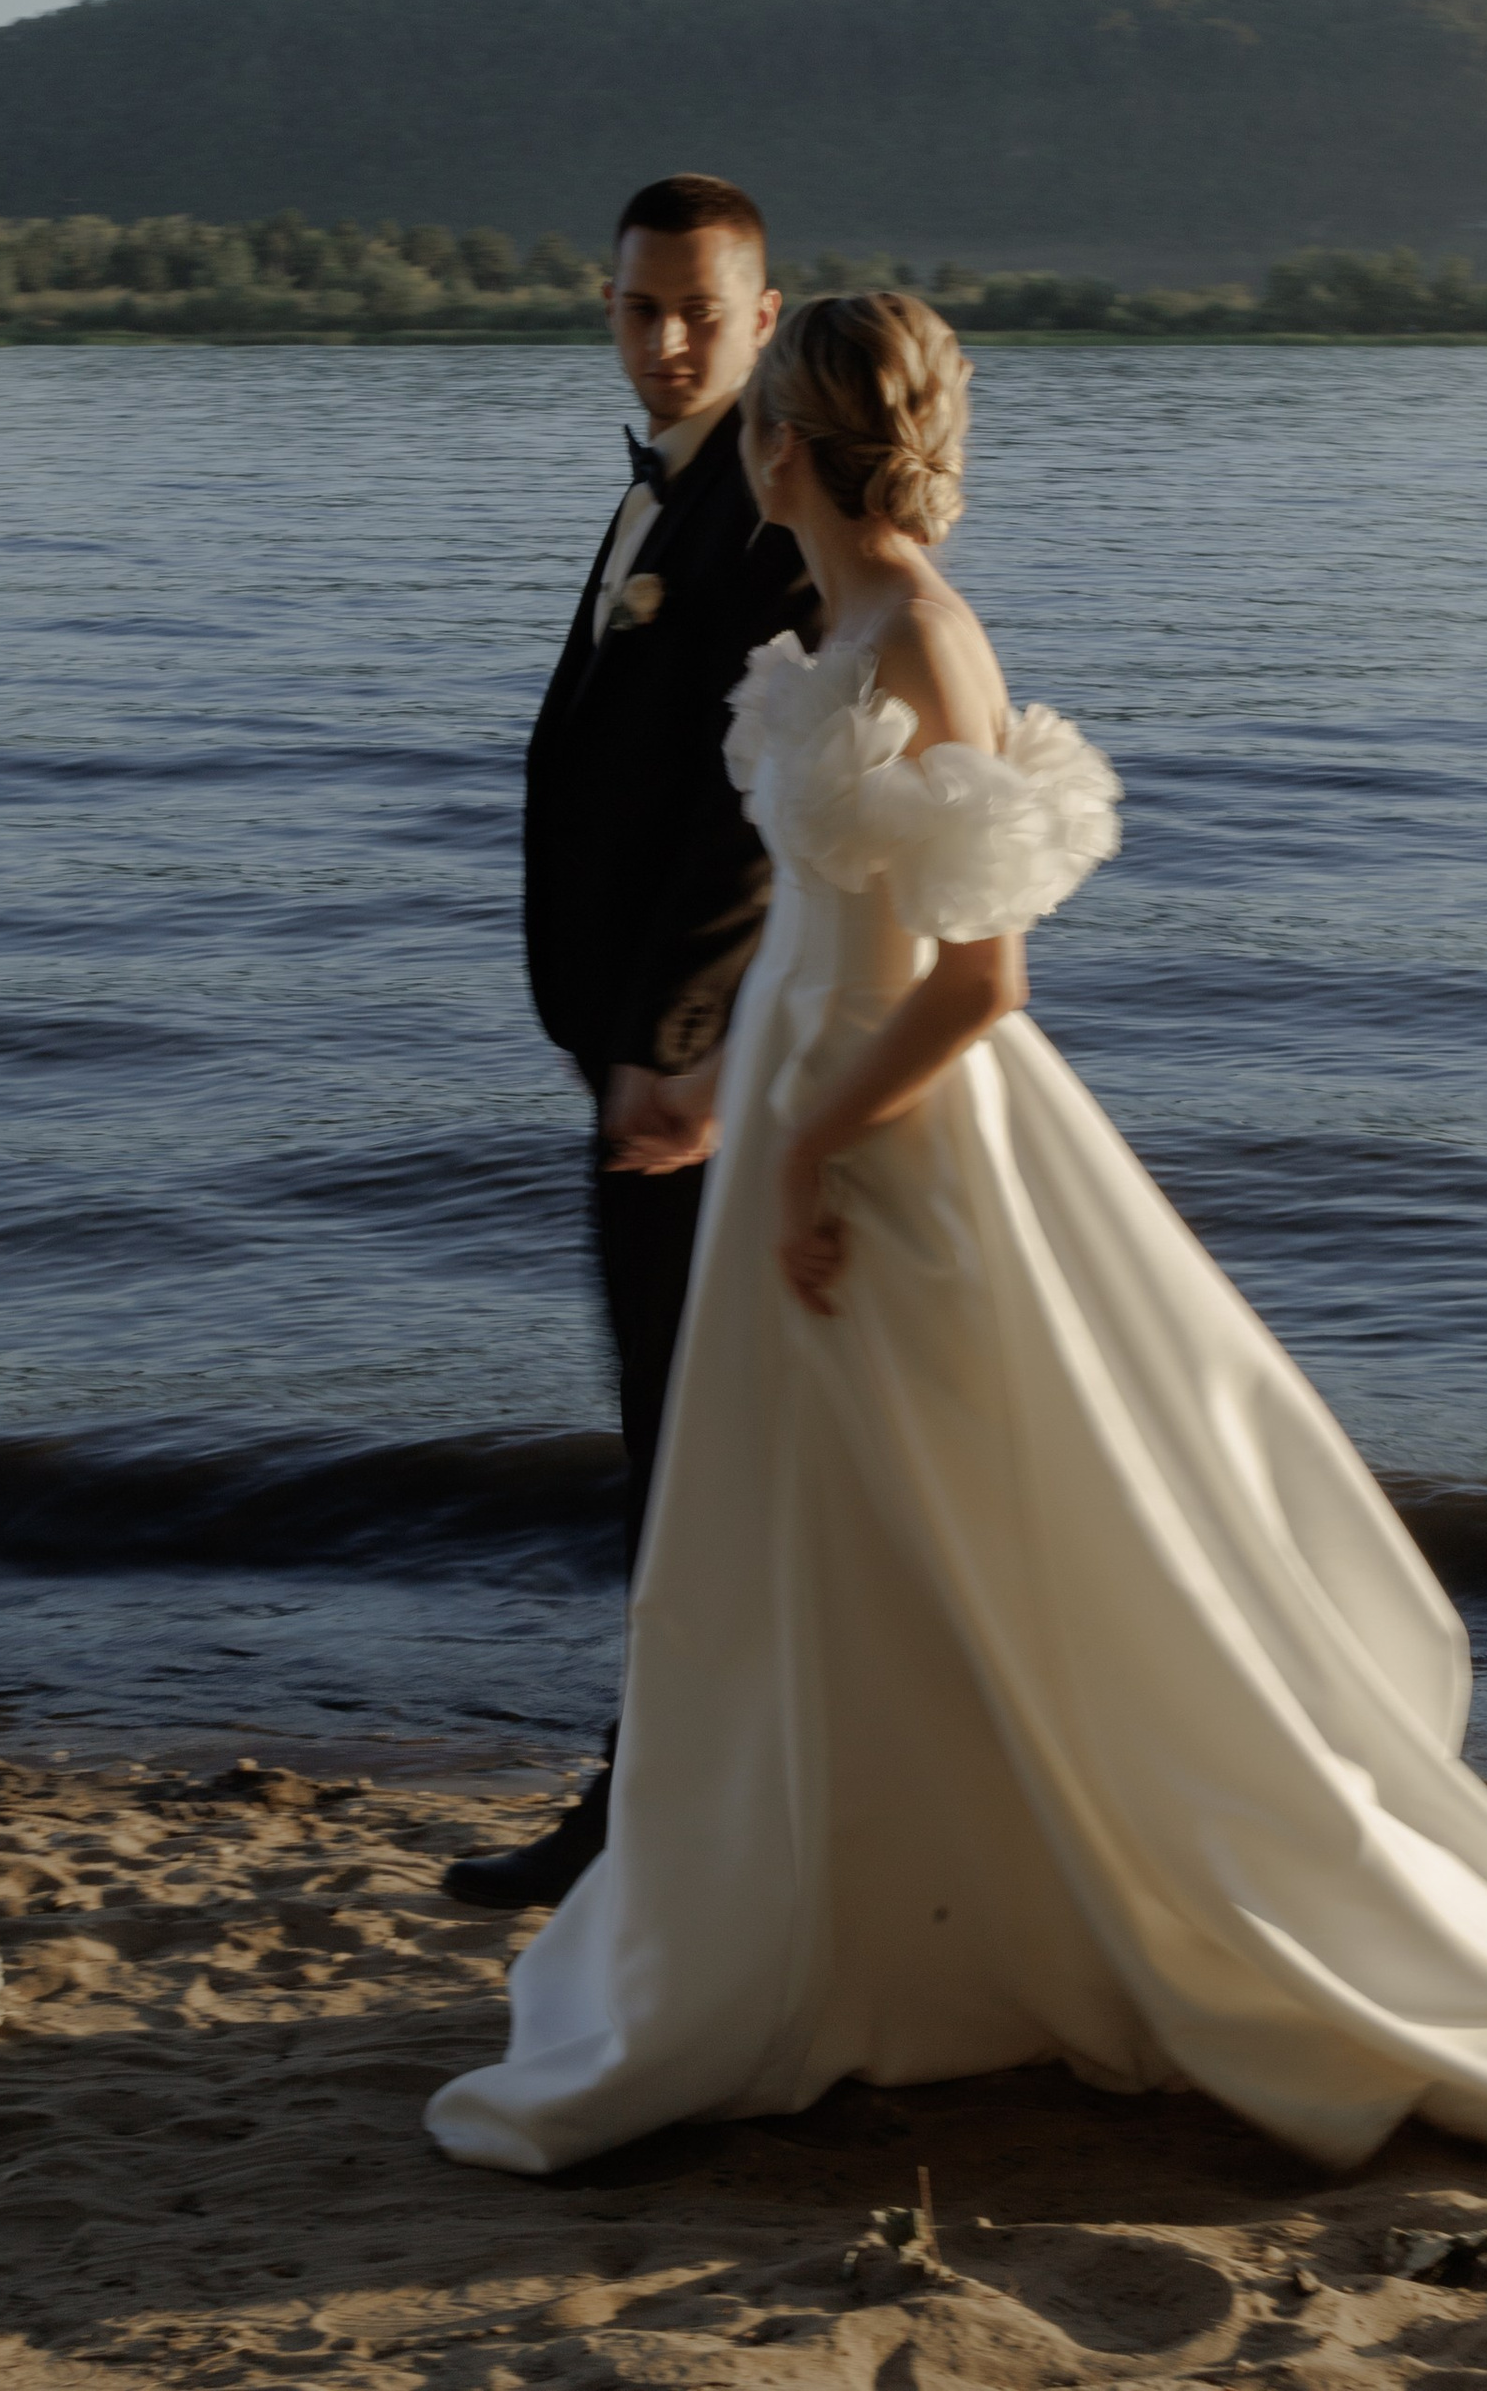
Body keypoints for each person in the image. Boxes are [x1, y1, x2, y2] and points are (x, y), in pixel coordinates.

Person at [428, 290, 1487, 2175]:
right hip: (792, 1099)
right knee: (830, 1540)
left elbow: (981, 988)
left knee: (974, 1524)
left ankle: (1076, 1913)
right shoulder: (832, 623)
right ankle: (862, 1917)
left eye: (765, 411)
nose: (750, 444)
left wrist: (803, 1155)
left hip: (896, 1138)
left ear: (795, 439)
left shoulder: (928, 637)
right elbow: (817, 918)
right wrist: (721, 1089)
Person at [443, 173, 815, 1914]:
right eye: (636, 308)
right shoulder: (666, 498)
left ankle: (643, 1814)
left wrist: (673, 1042)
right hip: (635, 1059)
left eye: (699, 312)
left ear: (763, 316)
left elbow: (755, 814)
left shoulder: (765, 514)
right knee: (680, 1441)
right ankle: (675, 1795)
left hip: (699, 1084)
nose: (665, 342)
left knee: (684, 1449)